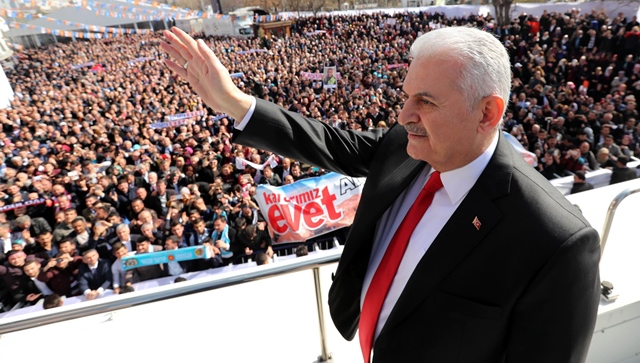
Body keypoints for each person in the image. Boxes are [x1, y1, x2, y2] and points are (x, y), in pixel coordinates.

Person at [162, 26, 601, 362]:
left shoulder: (554, 241)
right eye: (406, 96)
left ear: (487, 112)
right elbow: (330, 142)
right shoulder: (404, 146)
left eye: (426, 102)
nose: (404, 115)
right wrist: (236, 102)